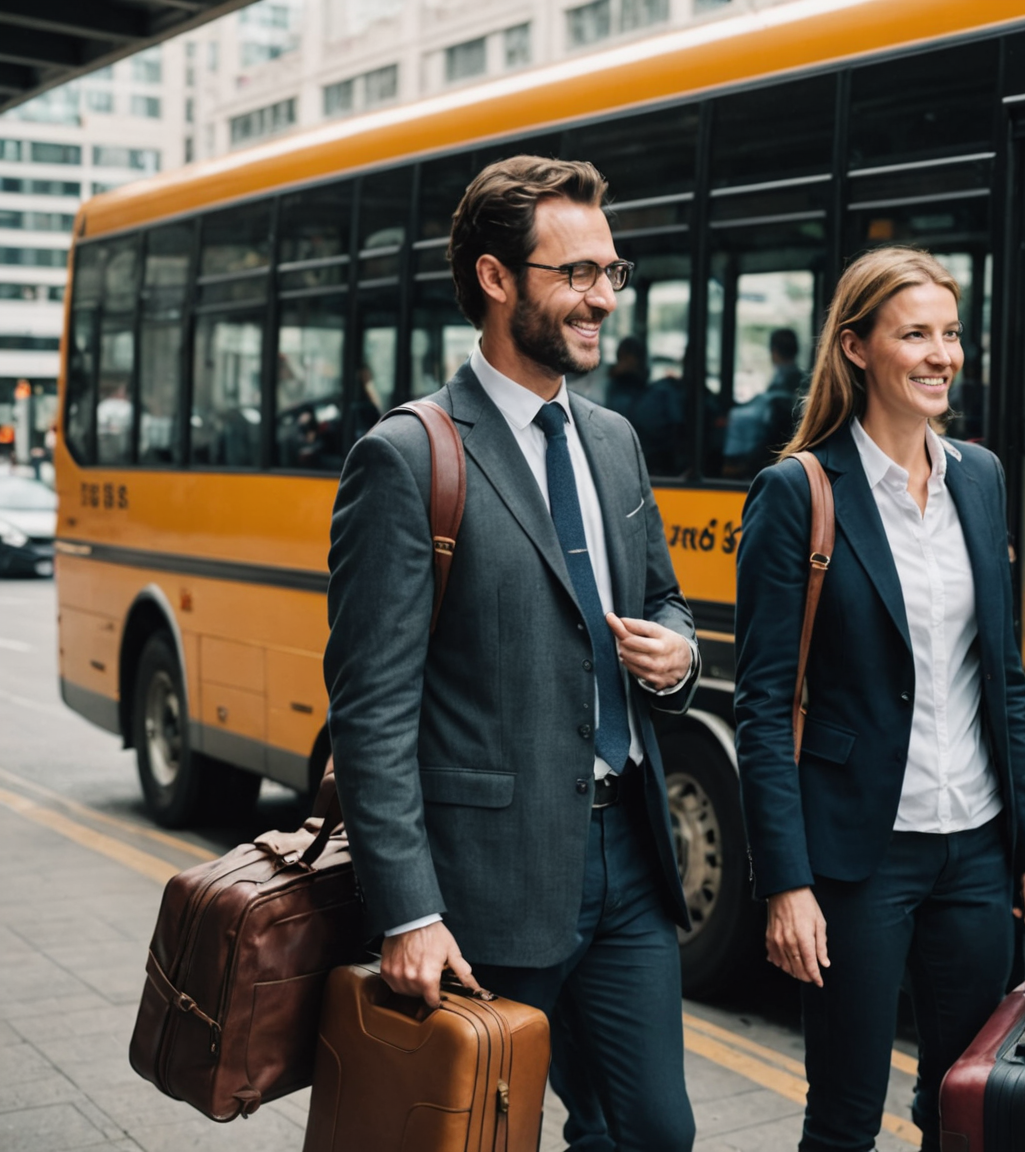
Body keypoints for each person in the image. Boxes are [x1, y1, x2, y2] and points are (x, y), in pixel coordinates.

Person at [326, 156, 701, 1152]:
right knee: (484, 1133)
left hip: (627, 857)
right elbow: (370, 710)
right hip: (488, 880)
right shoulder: (409, 456)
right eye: (577, 274)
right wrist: (409, 911)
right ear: (497, 280)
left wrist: (679, 654)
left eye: (612, 274)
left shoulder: (613, 439)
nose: (602, 299)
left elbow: (661, 594)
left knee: (655, 1132)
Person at [734, 246, 1025, 1152]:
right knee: (844, 1116)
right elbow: (763, 707)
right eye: (914, 333)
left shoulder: (982, 477)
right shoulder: (798, 492)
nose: (940, 355)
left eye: (950, 335)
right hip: (857, 859)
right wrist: (787, 884)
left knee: (963, 1109)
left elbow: (1003, 678)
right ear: (855, 347)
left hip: (974, 852)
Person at [721, 327, 807, 477]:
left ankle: (733, 466)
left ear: (774, 352)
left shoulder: (783, 381)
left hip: (763, 451)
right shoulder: (797, 377)